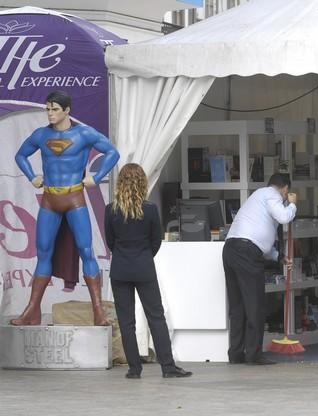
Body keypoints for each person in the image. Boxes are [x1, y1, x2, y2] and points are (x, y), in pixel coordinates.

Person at [11, 90, 119, 326]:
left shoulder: (84, 133)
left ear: (67, 110)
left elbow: (113, 152)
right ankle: (32, 310)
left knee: (86, 250)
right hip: (50, 199)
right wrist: (32, 176)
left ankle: (98, 312)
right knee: (43, 253)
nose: (50, 113)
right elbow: (20, 156)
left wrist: (98, 175)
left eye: (55, 109)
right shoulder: (41, 135)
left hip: (74, 199)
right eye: (48, 109)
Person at [104, 163, 191, 379]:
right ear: (142, 183)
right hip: (144, 267)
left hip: (120, 269)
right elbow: (155, 241)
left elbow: (110, 241)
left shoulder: (110, 209)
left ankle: (134, 369)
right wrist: (143, 256)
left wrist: (124, 255)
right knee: (156, 317)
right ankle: (168, 367)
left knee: (126, 321)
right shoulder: (150, 209)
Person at [223, 173, 297, 365]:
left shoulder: (258, 197)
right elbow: (283, 217)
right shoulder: (272, 194)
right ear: (285, 189)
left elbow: (258, 236)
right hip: (247, 253)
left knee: (237, 306)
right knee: (254, 305)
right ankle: (254, 354)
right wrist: (293, 204)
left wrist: (279, 257)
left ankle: (236, 354)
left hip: (231, 249)